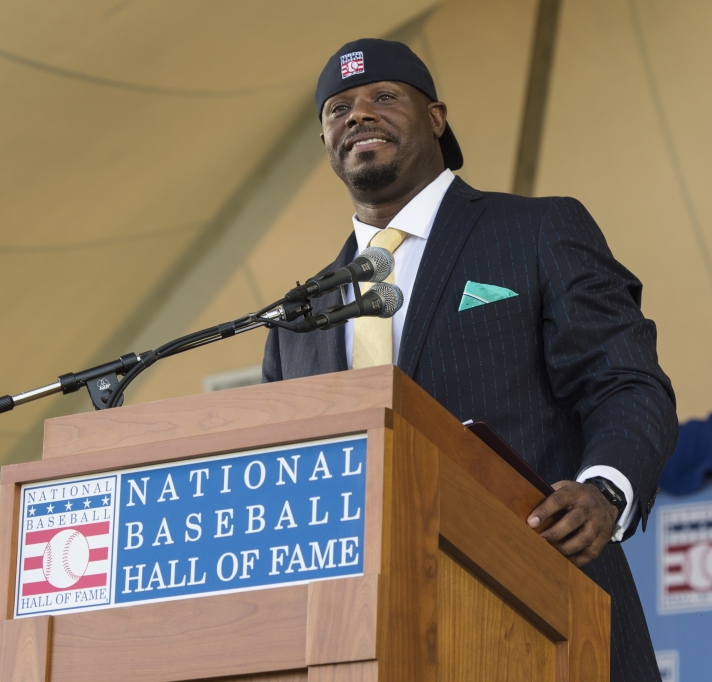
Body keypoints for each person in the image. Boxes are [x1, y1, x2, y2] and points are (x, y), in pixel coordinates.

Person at [262, 38, 678, 681]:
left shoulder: (538, 231)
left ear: (437, 118)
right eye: (337, 108)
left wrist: (603, 490)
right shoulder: (298, 316)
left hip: (541, 599)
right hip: (362, 633)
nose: (358, 115)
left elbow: (625, 380)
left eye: (384, 97)